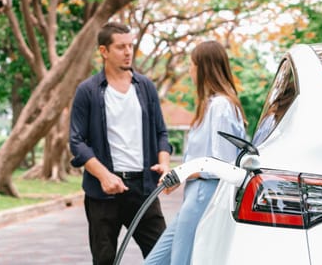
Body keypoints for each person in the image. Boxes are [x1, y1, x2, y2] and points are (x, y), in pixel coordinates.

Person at [69, 22, 172, 265]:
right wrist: (104, 176)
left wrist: (165, 165)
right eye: (120, 47)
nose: (128, 52)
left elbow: (161, 133)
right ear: (104, 51)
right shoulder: (88, 91)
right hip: (102, 194)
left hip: (143, 189)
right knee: (104, 261)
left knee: (164, 256)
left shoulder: (145, 87)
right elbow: (77, 141)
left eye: (130, 45)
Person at [144, 40, 247, 265]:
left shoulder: (221, 107)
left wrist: (183, 173)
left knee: (181, 261)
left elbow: (223, 164)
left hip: (204, 195)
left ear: (203, 68)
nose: (190, 70)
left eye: (192, 65)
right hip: (194, 194)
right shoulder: (209, 106)